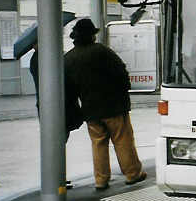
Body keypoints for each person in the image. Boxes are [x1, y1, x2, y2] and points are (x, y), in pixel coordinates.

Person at [64, 18, 146, 191]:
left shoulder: (68, 58)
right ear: (92, 36)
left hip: (90, 110)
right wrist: (125, 89)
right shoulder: (101, 51)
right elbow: (120, 71)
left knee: (98, 143)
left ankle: (101, 180)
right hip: (114, 106)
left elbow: (69, 88)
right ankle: (132, 174)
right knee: (122, 139)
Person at [29, 42, 84, 189]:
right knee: (56, 143)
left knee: (57, 142)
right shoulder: (44, 59)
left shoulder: (38, 59)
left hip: (52, 106)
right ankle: (55, 179)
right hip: (55, 107)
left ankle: (57, 177)